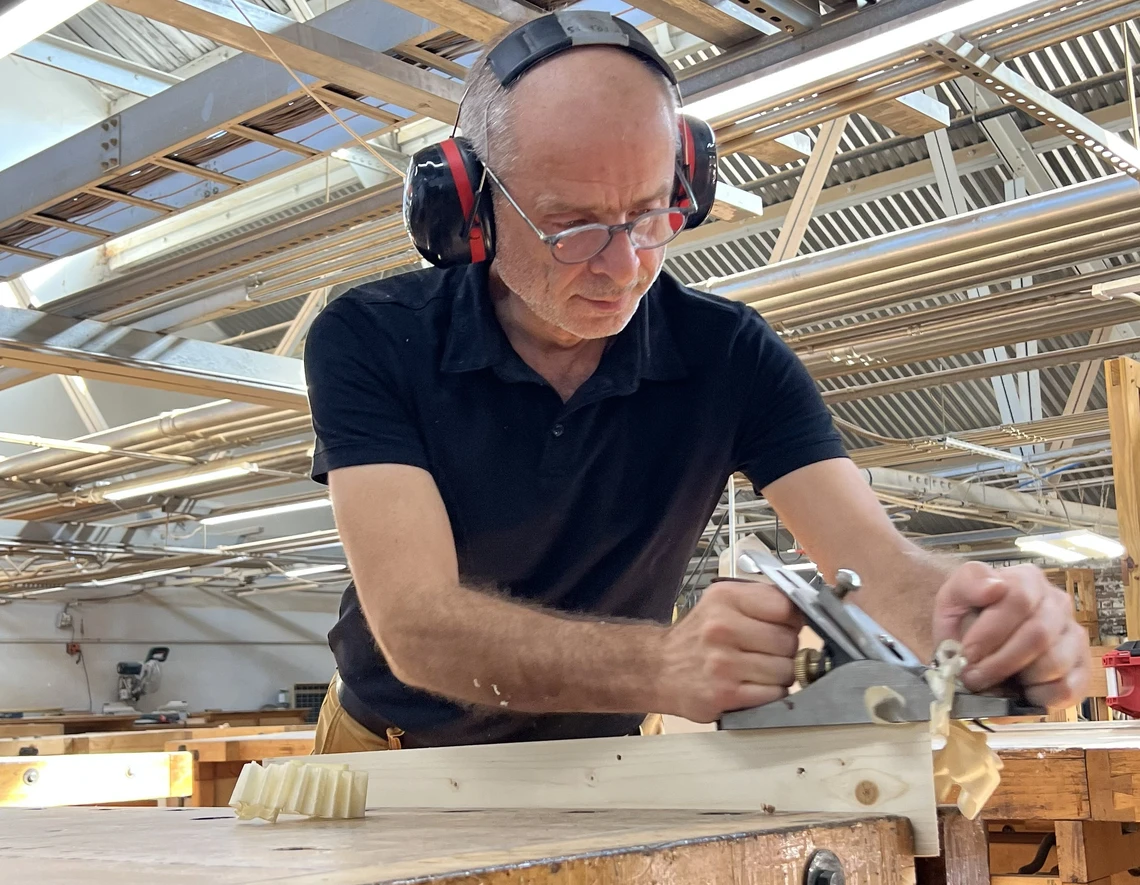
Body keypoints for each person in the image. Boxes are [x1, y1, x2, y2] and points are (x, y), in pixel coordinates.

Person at [302, 10, 1090, 752]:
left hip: (608, 755)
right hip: (390, 750)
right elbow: (417, 626)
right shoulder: (371, 338)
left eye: (651, 215)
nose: (625, 267)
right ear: (467, 206)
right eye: (573, 229)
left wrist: (962, 613)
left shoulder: (728, 354)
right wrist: (664, 663)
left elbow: (876, 565)